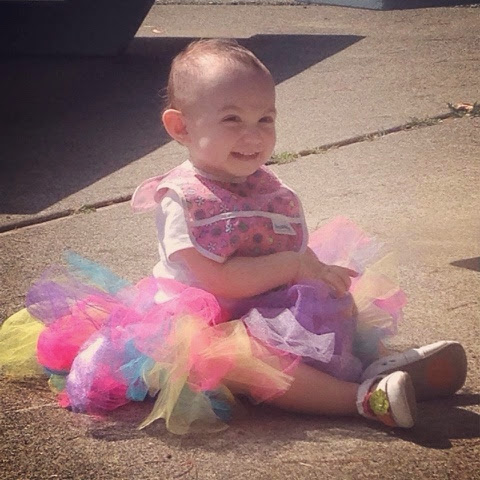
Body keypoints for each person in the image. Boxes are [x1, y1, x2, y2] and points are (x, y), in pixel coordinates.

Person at [0, 39, 467, 435]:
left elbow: (286, 245)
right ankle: (361, 400)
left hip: (263, 304)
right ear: (181, 127)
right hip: (202, 322)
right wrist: (292, 267)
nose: (253, 135)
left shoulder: (268, 188)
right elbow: (216, 280)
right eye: (232, 120)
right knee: (250, 361)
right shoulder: (182, 198)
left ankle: (380, 369)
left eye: (265, 119)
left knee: (332, 311)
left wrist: (316, 271)